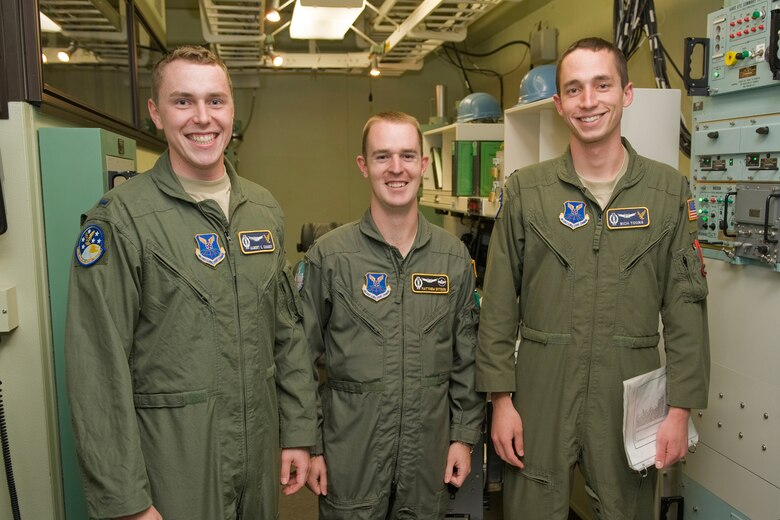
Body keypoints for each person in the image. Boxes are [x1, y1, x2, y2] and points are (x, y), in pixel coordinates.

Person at [64, 46, 317, 520]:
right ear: (156, 113)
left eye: (215, 101)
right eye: (183, 101)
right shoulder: (123, 221)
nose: (203, 117)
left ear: (232, 110)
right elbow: (97, 368)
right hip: (174, 470)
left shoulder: (262, 210)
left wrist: (299, 432)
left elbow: (286, 332)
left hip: (257, 459)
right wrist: (126, 501)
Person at [477, 37, 710, 519]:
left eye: (602, 85)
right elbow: (498, 305)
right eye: (574, 89)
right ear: (559, 104)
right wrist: (500, 401)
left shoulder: (667, 192)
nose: (588, 101)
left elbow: (685, 309)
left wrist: (680, 410)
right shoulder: (527, 192)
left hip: (629, 391)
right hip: (541, 388)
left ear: (627, 93)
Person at [301, 111, 484, 519]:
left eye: (407, 155)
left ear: (423, 164)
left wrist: (462, 437)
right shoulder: (331, 257)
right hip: (350, 459)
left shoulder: (452, 258)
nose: (396, 168)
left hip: (427, 460)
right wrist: (310, 445)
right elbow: (299, 358)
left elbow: (467, 358)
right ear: (363, 165)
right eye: (382, 156)